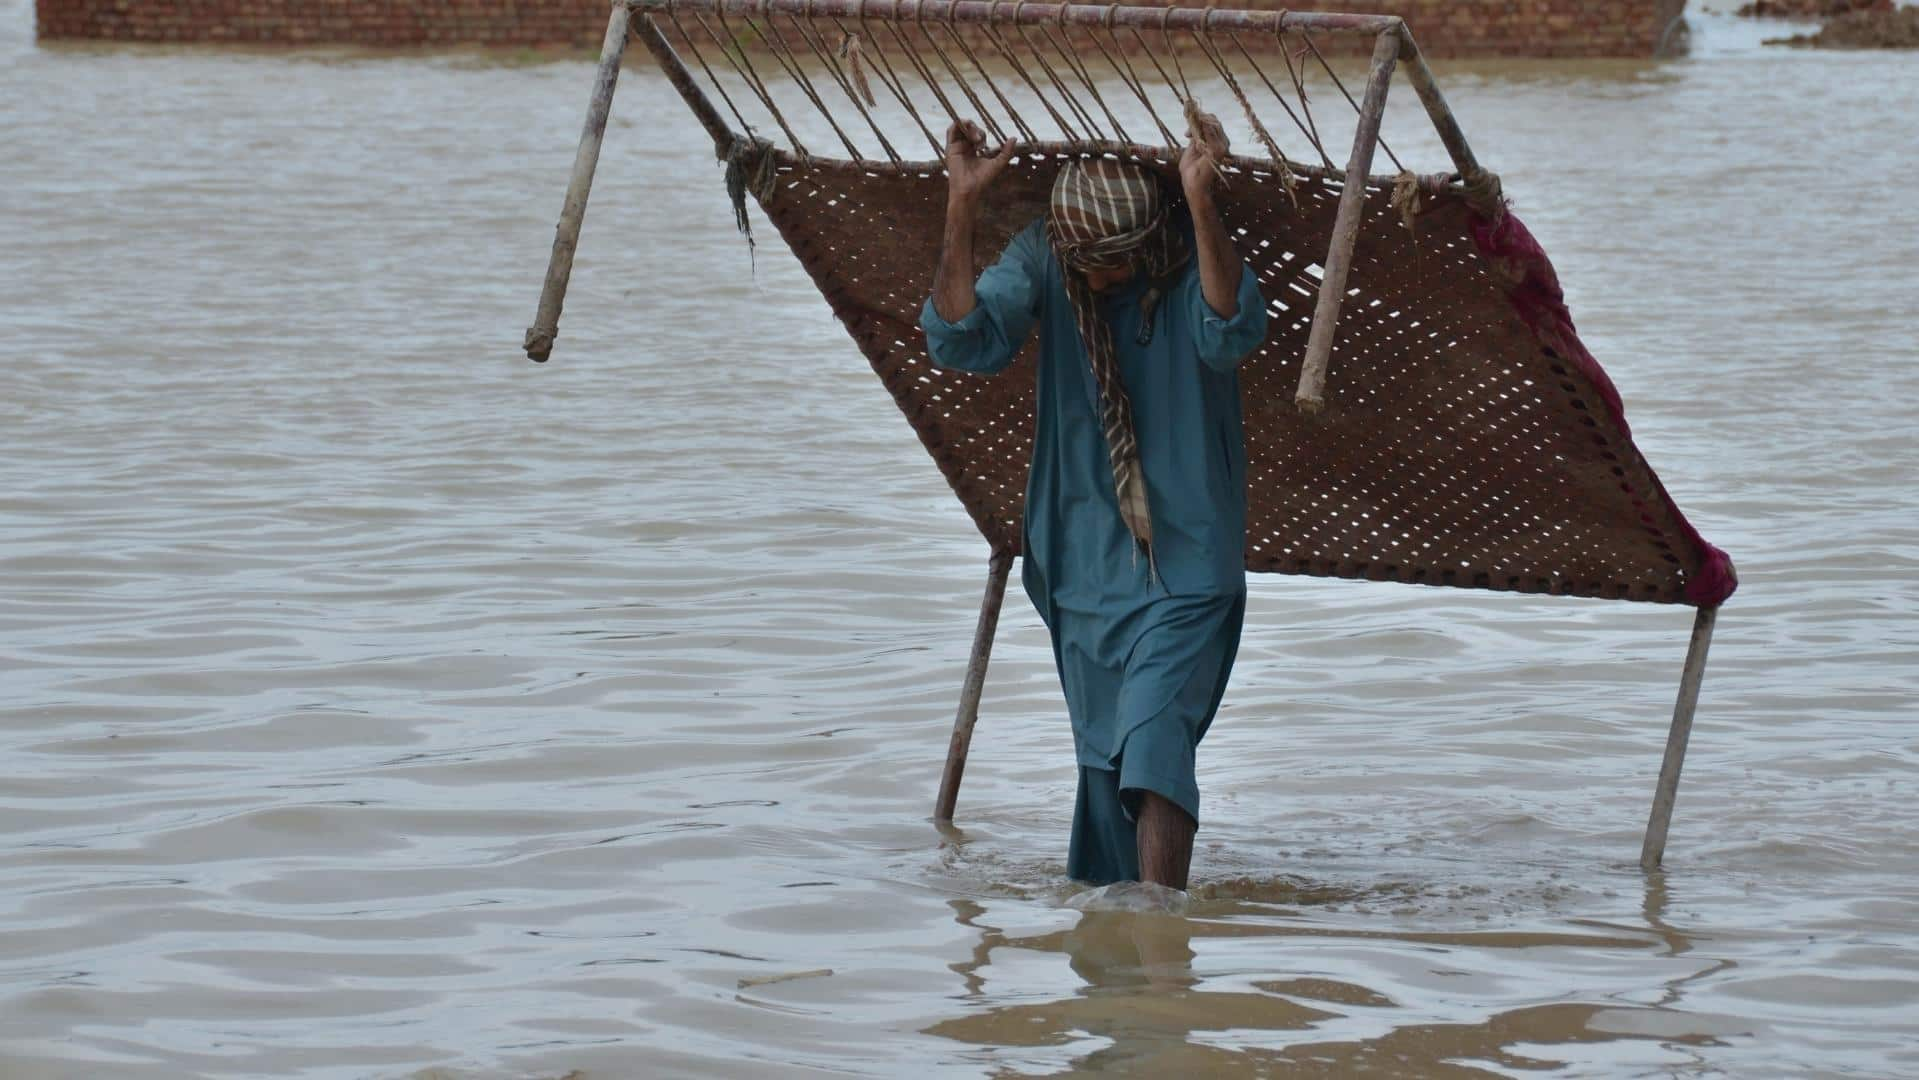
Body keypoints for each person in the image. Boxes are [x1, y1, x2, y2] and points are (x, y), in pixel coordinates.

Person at [919, 116, 1267, 890]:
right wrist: (961, 204)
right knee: (1101, 755)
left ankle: (1156, 931)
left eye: (1111, 263)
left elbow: (1228, 332)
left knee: (1149, 739)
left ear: (1147, 245)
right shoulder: (1049, 255)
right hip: (1078, 555)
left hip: (1188, 559)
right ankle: (1120, 966)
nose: (1094, 276)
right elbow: (960, 340)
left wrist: (1202, 204)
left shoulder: (1184, 265)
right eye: (1081, 262)